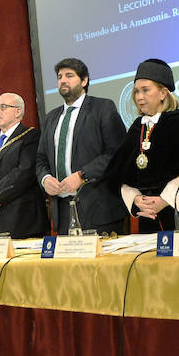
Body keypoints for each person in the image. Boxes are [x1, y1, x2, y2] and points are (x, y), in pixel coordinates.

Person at [106, 59, 179, 233]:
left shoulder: (178, 121)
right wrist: (136, 200)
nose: (139, 97)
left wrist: (164, 201)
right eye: (136, 91)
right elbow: (120, 173)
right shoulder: (137, 127)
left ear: (163, 93)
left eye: (145, 90)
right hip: (149, 214)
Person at [35, 57, 128, 234]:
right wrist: (45, 179)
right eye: (60, 76)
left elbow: (116, 153)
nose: (63, 80)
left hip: (98, 209)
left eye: (69, 75)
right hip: (62, 212)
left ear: (84, 80)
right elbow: (40, 159)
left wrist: (82, 175)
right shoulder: (51, 118)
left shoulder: (103, 108)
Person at [0, 93, 46, 238]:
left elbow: (23, 173)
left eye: (3, 107)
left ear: (18, 111)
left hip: (21, 219)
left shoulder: (31, 136)